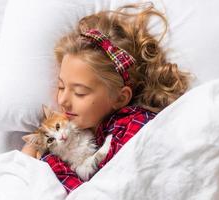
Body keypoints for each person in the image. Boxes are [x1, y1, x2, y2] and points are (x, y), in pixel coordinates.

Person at [22, 2, 191, 193]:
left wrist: (40, 163)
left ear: (119, 98)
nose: (63, 101)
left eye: (80, 92)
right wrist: (29, 158)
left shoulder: (133, 126)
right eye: (61, 86)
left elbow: (105, 189)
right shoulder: (76, 136)